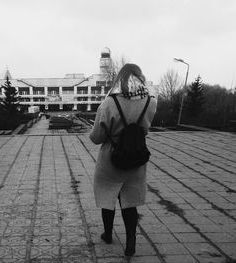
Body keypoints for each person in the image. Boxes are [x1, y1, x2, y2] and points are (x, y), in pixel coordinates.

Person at [89, 63, 157, 257]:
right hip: (136, 158)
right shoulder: (150, 101)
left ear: (120, 78)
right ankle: (131, 243)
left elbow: (96, 138)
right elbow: (145, 129)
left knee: (107, 197)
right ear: (140, 77)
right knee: (130, 201)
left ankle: (108, 234)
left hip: (111, 159)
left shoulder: (109, 103)